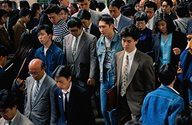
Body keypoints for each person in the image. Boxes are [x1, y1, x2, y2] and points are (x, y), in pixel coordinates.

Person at [115, 25, 156, 125]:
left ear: (136, 41)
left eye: (129, 41)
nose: (125, 44)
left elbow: (150, 86)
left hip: (137, 105)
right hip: (120, 103)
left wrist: (144, 107)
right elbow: (117, 79)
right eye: (123, 41)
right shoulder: (118, 56)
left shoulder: (145, 59)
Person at [12, 59, 56, 125]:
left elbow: (54, 111)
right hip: (27, 120)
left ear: (43, 69)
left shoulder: (52, 85)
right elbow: (26, 101)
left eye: (35, 73)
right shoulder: (29, 80)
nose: (33, 75)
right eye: (30, 73)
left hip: (41, 122)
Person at [96, 14, 123, 125]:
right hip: (104, 76)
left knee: (114, 110)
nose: (101, 29)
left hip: (116, 76)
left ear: (111, 26)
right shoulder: (100, 41)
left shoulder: (120, 39)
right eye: (99, 27)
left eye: (104, 27)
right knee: (103, 109)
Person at [63, 17, 97, 90]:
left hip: (84, 75)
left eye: (75, 30)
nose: (73, 33)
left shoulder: (91, 39)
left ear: (81, 27)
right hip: (71, 75)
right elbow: (65, 58)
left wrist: (91, 76)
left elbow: (93, 59)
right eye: (71, 31)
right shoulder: (66, 38)